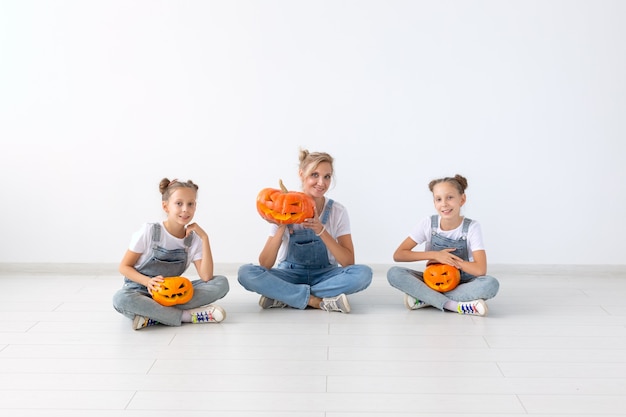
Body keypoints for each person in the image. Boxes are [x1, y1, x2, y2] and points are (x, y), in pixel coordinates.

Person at [238, 149, 372, 313]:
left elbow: (348, 262)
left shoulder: (338, 211)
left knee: (364, 274)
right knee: (245, 273)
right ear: (302, 174)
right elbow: (265, 263)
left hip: (326, 274)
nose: (321, 182)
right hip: (290, 274)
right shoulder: (283, 206)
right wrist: (281, 225)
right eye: (314, 175)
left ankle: (285, 295)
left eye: (327, 176)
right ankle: (316, 300)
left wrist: (321, 230)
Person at [113, 178, 229, 330]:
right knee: (120, 299)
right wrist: (148, 282)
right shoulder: (149, 231)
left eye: (190, 204)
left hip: (174, 295)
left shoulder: (193, 240)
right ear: (165, 206)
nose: (185, 209)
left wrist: (205, 238)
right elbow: (124, 267)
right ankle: (187, 316)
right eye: (179, 203)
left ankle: (153, 316)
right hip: (141, 291)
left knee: (221, 283)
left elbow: (206, 277)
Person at [387, 174, 499, 316]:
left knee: (490, 284)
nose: (444, 204)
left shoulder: (472, 227)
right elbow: (399, 254)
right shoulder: (428, 224)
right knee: (394, 273)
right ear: (434, 203)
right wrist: (436, 255)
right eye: (438, 199)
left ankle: (425, 298)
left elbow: (480, 270)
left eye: (450, 197)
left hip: (461, 283)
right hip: (432, 281)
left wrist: (452, 261)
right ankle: (453, 305)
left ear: (462, 199)